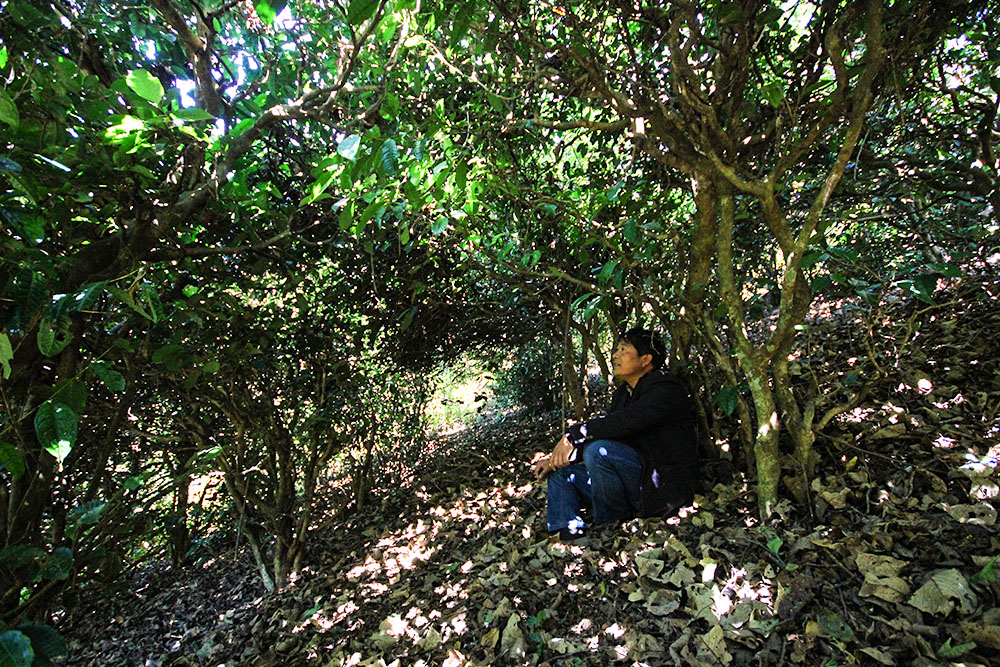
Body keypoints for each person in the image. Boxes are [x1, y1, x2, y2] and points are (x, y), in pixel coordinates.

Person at [533, 327, 698, 540]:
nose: (615, 355)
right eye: (617, 349)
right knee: (561, 472)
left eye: (623, 350)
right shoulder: (623, 394)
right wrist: (557, 459)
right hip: (632, 482)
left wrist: (573, 435)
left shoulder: (665, 388)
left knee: (597, 451)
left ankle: (608, 525)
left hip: (659, 490)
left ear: (645, 359)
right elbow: (612, 433)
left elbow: (627, 421)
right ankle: (568, 532)